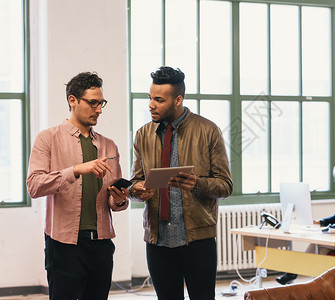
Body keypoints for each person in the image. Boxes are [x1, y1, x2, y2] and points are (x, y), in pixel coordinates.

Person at [129, 66, 233, 300]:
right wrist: (135, 191)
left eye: (158, 100)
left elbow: (225, 185)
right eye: (149, 98)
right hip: (157, 241)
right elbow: (135, 181)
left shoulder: (208, 131)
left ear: (178, 100)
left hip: (197, 240)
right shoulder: (143, 135)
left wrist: (197, 183)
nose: (150, 105)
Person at [26, 72, 129, 300]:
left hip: (102, 245)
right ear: (73, 100)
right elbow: (34, 186)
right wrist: (75, 170)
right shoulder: (48, 139)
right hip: (64, 246)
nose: (99, 110)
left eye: (101, 103)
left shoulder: (109, 146)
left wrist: (120, 198)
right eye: (93, 103)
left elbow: (115, 203)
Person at [276, 158, 335, 285]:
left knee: (318, 247)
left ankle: (295, 275)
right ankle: (315, 282)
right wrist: (319, 222)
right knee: (317, 247)